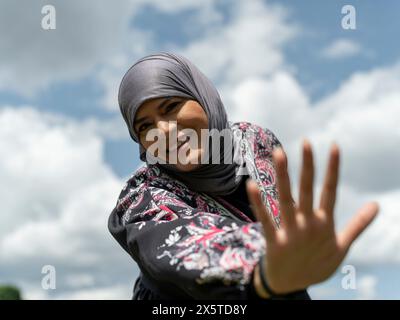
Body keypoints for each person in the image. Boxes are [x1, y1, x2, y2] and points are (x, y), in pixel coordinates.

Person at [108, 52, 379, 300]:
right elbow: (175, 245)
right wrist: (264, 270)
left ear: (202, 97)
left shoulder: (256, 141)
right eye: (145, 126)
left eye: (170, 106)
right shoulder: (141, 197)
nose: (163, 131)